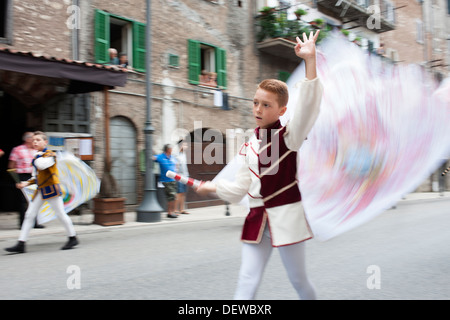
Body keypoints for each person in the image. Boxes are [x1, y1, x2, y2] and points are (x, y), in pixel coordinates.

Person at [196, 31, 323, 299]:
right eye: (255, 103)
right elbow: (241, 187)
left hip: (286, 217)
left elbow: (309, 106)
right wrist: (213, 188)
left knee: (299, 281)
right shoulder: (249, 145)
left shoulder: (290, 135)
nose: (258, 109)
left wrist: (310, 60)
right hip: (257, 220)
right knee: (246, 280)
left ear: (281, 111)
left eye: (266, 105)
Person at [5, 131, 79, 254]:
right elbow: (37, 176)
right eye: (34, 140)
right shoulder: (38, 155)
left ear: (45, 142)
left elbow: (42, 166)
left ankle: (73, 237)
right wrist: (25, 183)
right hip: (41, 190)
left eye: (38, 140)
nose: (35, 142)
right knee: (29, 215)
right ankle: (21, 243)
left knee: (60, 214)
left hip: (51, 190)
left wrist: (37, 156)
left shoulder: (50, 155)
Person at [8, 132, 42, 229]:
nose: (35, 140)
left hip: (34, 176)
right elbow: (11, 166)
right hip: (22, 176)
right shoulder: (17, 149)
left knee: (35, 199)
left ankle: (35, 223)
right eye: (33, 138)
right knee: (23, 201)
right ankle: (23, 224)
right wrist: (16, 180)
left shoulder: (36, 150)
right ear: (27, 139)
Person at [155, 144, 178, 218]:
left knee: (172, 196)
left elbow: (176, 164)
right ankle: (169, 212)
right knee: (172, 195)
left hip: (173, 179)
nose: (172, 150)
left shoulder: (172, 157)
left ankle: (172, 211)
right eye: (171, 148)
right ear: (168, 149)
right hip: (166, 180)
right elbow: (153, 158)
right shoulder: (161, 156)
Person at [174, 141, 190, 215]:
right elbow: (176, 166)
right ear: (180, 146)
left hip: (185, 176)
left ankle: (182, 209)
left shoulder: (184, 154)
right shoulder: (177, 155)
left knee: (183, 193)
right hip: (179, 176)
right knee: (179, 193)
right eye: (185, 145)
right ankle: (175, 210)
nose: (186, 146)